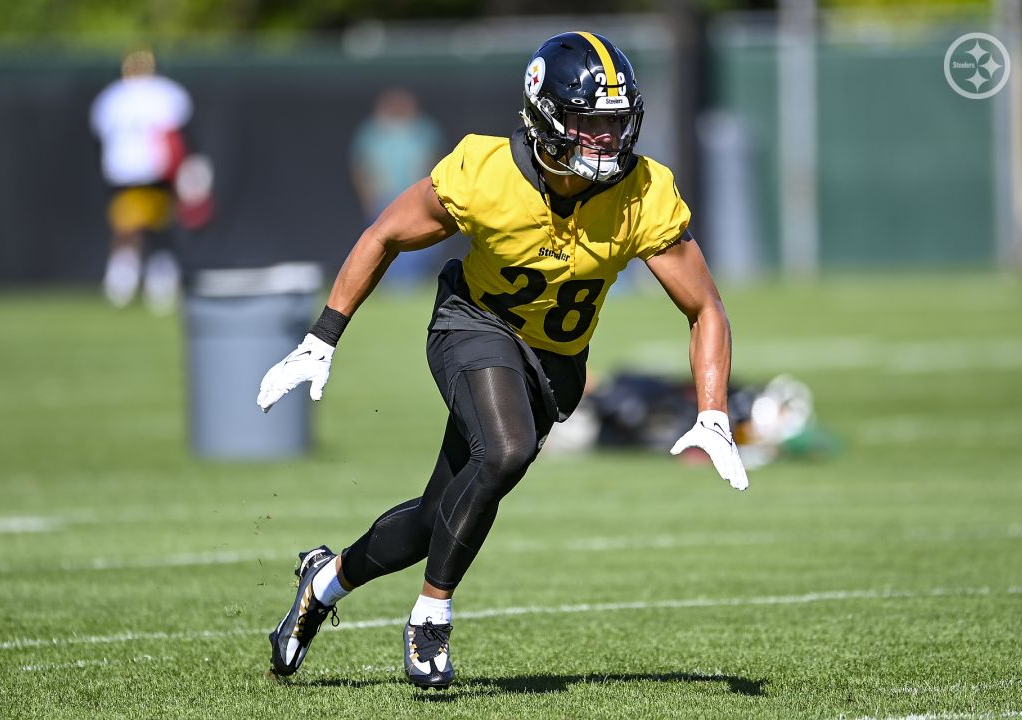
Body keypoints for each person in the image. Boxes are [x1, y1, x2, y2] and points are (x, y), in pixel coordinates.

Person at [257, 31, 749, 690]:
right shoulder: (485, 173)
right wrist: (324, 336)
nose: (606, 139)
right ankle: (431, 618)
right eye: (589, 123)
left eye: (615, 123)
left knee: (438, 515)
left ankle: (323, 582)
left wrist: (713, 413)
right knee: (507, 449)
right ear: (547, 115)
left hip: (554, 363)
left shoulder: (642, 193)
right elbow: (385, 233)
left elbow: (705, 307)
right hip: (475, 323)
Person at [90, 48, 208, 314]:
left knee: (140, 231)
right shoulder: (164, 93)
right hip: (151, 171)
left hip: (133, 172)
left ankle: (134, 284)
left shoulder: (112, 97)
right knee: (146, 230)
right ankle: (136, 283)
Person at [349, 88, 444, 289]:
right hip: (383, 197)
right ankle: (391, 284)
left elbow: (434, 161)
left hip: (415, 194)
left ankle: (413, 282)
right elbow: (361, 167)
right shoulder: (371, 131)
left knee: (420, 237)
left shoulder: (424, 130)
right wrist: (368, 197)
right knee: (384, 240)